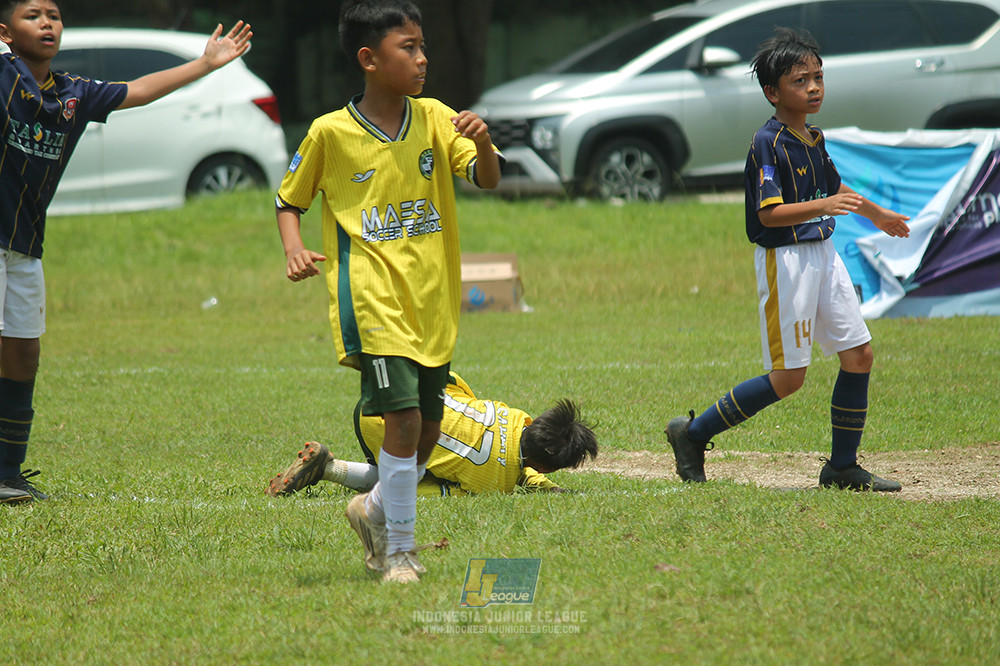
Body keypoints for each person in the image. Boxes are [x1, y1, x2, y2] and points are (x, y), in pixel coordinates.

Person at [274, 0, 501, 583]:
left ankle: (372, 508)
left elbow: (485, 177)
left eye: (424, 47)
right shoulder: (331, 132)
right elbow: (289, 200)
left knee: (426, 431)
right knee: (400, 421)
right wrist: (295, 248)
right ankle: (399, 550)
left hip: (432, 300)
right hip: (371, 299)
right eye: (410, 48)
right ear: (369, 59)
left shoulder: (434, 117)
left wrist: (483, 143)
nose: (423, 59)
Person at [0, 0, 252, 505]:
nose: (47, 23)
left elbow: (137, 91)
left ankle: (7, 474)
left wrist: (205, 64)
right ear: (5, 30)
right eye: (32, 15)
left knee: (23, 353)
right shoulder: (2, 75)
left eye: (53, 15)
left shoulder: (72, 93)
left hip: (24, 246)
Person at [665, 28, 911, 492]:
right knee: (788, 378)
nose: (814, 87)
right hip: (787, 262)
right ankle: (692, 434)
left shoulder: (813, 137)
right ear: (772, 92)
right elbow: (769, 213)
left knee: (859, 355)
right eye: (801, 80)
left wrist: (877, 214)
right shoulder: (768, 142)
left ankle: (841, 468)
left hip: (823, 253)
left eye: (818, 77)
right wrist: (822, 207)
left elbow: (832, 189)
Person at [266, 372, 599, 498]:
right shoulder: (495, 483)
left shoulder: (513, 415)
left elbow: (452, 381)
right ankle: (329, 469)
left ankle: (325, 467)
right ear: (545, 468)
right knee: (419, 483)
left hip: (392, 393)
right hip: (379, 426)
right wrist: (551, 488)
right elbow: (512, 471)